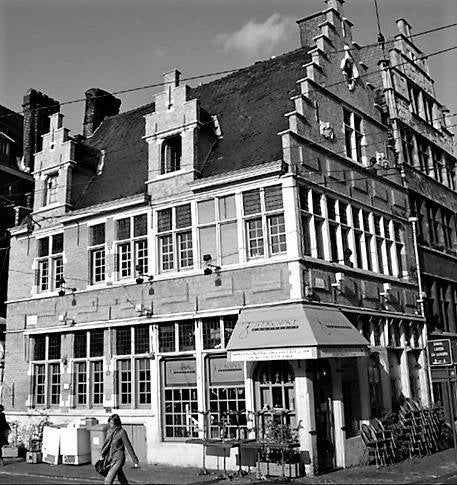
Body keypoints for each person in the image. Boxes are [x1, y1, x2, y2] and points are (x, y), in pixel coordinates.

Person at [101, 414, 139, 485]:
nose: (110, 425)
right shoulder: (109, 431)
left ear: (116, 423)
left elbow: (128, 446)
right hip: (111, 458)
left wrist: (135, 460)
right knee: (121, 478)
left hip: (119, 459)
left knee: (108, 480)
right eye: (109, 422)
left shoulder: (122, 432)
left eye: (112, 423)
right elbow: (106, 445)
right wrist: (102, 454)